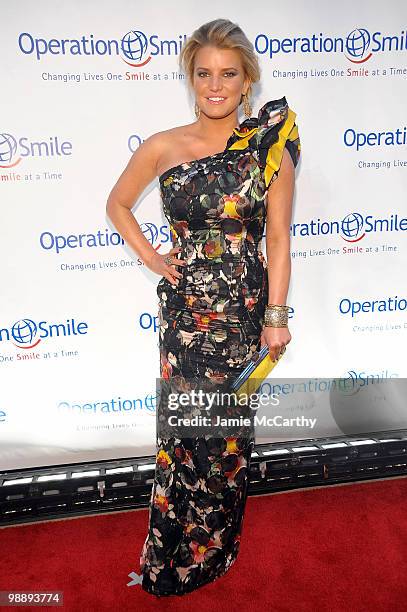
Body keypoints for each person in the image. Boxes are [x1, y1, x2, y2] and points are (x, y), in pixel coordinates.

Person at [106, 18, 300, 597]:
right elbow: (117, 203)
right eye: (204, 74)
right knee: (184, 433)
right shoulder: (164, 146)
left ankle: (215, 546)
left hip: (243, 315)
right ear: (191, 78)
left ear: (248, 82)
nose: (215, 86)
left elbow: (280, 239)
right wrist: (153, 258)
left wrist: (276, 319)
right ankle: (171, 551)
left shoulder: (270, 149)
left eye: (229, 74)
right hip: (186, 315)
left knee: (227, 437)